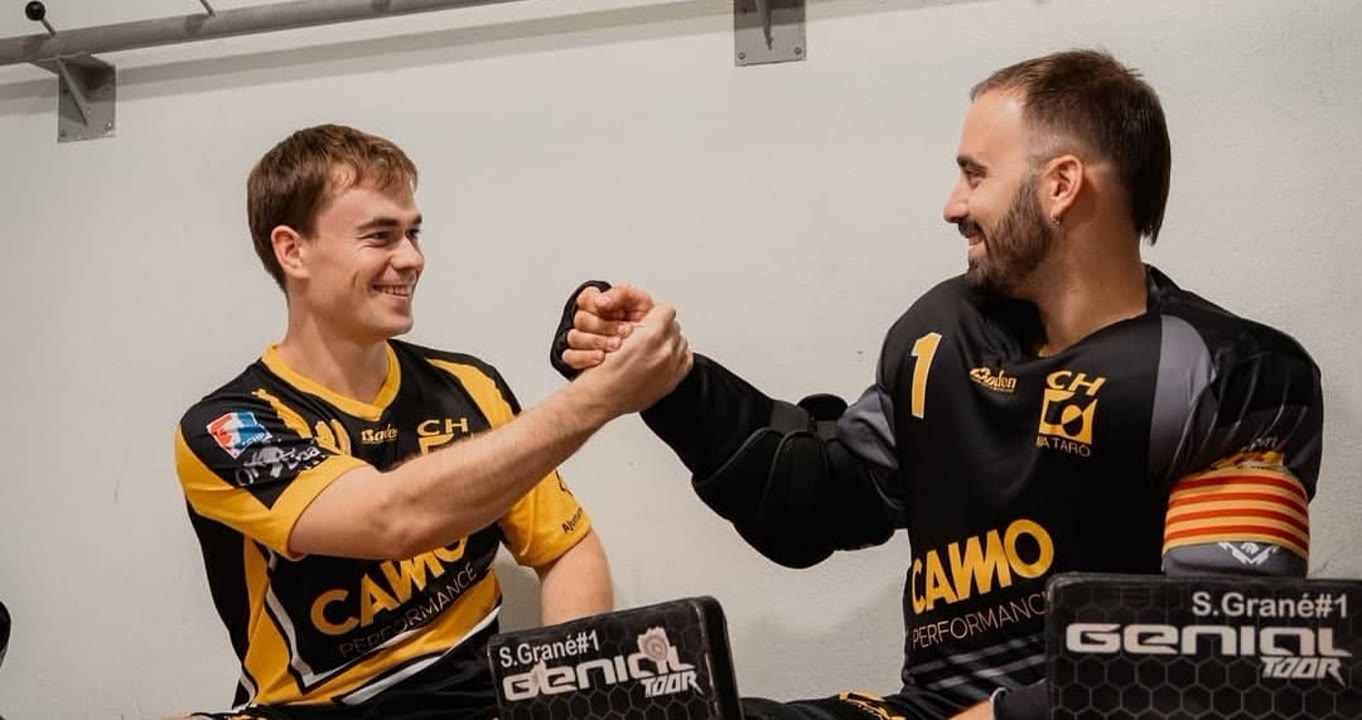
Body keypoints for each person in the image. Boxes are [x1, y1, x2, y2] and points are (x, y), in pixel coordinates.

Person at [551, 49, 1323, 720]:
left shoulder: (1229, 374)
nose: (953, 205)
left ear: (1060, 185)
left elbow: (1215, 660)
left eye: (974, 175)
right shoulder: (941, 337)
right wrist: (666, 379)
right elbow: (814, 500)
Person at [172, 124, 692, 720]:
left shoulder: (469, 385)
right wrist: (601, 395)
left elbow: (567, 546)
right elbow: (389, 519)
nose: (411, 258)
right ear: (293, 251)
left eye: (413, 233)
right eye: (380, 236)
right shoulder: (229, 426)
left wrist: (564, 701)